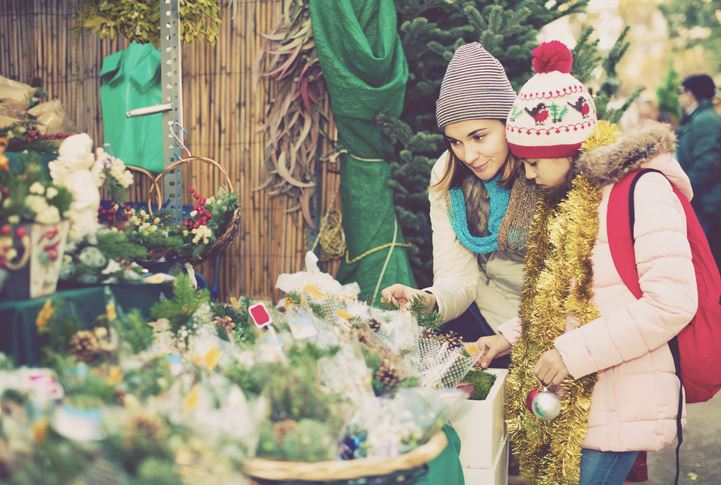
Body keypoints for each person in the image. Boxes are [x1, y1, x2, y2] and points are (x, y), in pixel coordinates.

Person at [476, 41, 697, 485]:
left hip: (622, 399)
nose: (530, 175)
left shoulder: (642, 192)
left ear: (569, 149)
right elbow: (565, 297)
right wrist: (505, 338)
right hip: (580, 397)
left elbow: (672, 302)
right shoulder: (570, 199)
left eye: (534, 163)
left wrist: (571, 353)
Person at [382, 42, 537, 347]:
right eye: (455, 141)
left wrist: (513, 336)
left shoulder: (543, 168)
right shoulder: (448, 177)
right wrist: (428, 300)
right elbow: (459, 277)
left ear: (509, 124)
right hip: (487, 318)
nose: (469, 155)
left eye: (479, 137)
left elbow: (572, 286)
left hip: (554, 321)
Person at [677, 74, 721, 269]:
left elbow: (707, 164)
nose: (679, 98)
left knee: (709, 264)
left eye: (681, 92)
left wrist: (685, 194)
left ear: (691, 94)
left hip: (708, 206)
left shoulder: (705, 121)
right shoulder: (699, 119)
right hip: (704, 203)